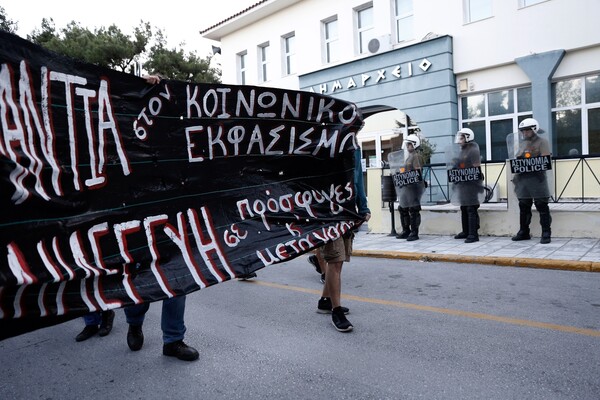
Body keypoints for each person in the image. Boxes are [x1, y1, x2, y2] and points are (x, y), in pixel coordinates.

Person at [122, 74, 199, 362]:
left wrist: (164, 82)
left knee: (177, 280)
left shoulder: (178, 137)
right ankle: (134, 322)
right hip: (139, 223)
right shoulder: (130, 137)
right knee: (141, 283)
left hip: (173, 222)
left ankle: (173, 340)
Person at [316, 147, 370, 332]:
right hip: (329, 212)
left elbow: (358, 179)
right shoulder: (326, 142)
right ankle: (336, 311)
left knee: (339, 259)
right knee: (336, 259)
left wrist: (363, 208)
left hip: (347, 211)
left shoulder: (355, 147)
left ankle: (325, 301)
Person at [511, 118, 552, 244]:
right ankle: (524, 231)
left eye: (527, 130)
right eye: (522, 131)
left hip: (537, 179)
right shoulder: (523, 144)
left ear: (534, 129)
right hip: (523, 179)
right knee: (523, 205)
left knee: (541, 205)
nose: (524, 133)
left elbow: (545, 160)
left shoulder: (542, 142)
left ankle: (546, 232)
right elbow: (517, 158)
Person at [451, 128, 483, 243]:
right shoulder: (463, 150)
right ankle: (465, 231)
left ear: (468, 137)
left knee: (471, 208)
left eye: (462, 137)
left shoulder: (473, 150)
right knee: (463, 207)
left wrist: (477, 184)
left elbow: (476, 167)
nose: (460, 140)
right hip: (463, 184)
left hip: (471, 184)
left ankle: (473, 234)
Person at [395, 135, 424, 241]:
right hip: (406, 187)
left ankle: (414, 232)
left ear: (415, 144)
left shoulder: (416, 156)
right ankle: (406, 230)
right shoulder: (410, 156)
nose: (407, 146)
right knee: (402, 207)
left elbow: (417, 172)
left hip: (413, 187)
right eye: (407, 144)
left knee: (413, 209)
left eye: (409, 144)